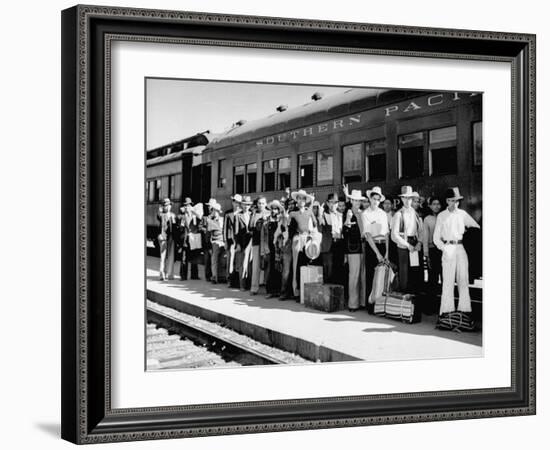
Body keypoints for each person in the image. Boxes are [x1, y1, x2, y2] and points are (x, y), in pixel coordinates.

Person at [433, 187, 480, 317]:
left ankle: (465, 311)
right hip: (448, 247)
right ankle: (446, 312)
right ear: (447, 201)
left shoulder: (463, 214)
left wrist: (467, 233)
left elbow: (476, 227)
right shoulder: (442, 216)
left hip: (460, 248)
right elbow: (436, 238)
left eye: (457, 201)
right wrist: (444, 248)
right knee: (447, 281)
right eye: (452, 200)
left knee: (463, 280)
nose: (455, 203)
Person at [361, 187, 390, 312]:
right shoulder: (365, 214)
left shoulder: (383, 214)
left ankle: (381, 304)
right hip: (372, 246)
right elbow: (367, 235)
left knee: (383, 275)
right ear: (370, 199)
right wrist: (377, 253)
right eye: (374, 199)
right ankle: (371, 305)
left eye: (378, 199)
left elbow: (387, 234)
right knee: (371, 275)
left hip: (383, 245)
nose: (376, 201)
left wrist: (387, 252)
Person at [391, 186, 424, 293]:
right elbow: (394, 235)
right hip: (403, 245)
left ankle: (414, 300)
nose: (407, 200)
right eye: (405, 198)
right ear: (401, 199)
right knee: (404, 272)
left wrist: (419, 242)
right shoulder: (398, 214)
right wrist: (407, 245)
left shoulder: (415, 213)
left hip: (414, 243)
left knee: (414, 271)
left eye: (410, 198)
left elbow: (421, 230)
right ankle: (404, 298)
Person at [288, 189, 317, 299]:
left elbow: (315, 224)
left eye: (303, 199)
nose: (301, 201)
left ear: (306, 201)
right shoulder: (293, 213)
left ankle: (306, 291)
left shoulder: (309, 212)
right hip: (297, 239)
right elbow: (288, 226)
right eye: (299, 198)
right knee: (296, 264)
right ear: (296, 200)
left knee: (306, 264)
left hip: (307, 239)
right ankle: (296, 291)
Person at [343, 189, 367, 311]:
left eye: (359, 200)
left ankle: (362, 302)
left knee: (363, 275)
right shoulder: (348, 213)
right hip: (353, 248)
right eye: (355, 200)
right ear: (351, 200)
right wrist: (347, 220)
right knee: (354, 276)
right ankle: (353, 303)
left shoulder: (363, 213)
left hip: (364, 246)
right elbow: (344, 232)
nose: (357, 202)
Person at [423, 196, 443, 314]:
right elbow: (425, 238)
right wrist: (426, 254)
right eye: (434, 204)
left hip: (444, 251)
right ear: (430, 206)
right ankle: (431, 307)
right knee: (432, 279)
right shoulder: (427, 219)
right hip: (432, 250)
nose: (436, 206)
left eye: (438, 204)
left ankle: (444, 307)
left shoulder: (444, 216)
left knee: (445, 278)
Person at [318, 192, 343, 284]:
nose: (333, 204)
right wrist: (320, 214)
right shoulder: (323, 214)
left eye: (335, 202)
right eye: (331, 202)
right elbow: (321, 224)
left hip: (338, 244)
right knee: (328, 270)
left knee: (338, 269)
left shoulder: (340, 215)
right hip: (328, 245)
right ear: (327, 203)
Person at [261, 200, 283, 298]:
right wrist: (264, 250)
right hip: (269, 247)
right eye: (272, 209)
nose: (274, 211)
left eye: (276, 209)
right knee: (269, 269)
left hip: (278, 248)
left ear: (278, 210)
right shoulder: (266, 221)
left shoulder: (280, 221)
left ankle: (278, 290)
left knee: (278, 269)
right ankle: (270, 290)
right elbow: (263, 236)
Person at [249, 196, 270, 294]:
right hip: (256, 242)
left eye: (263, 203)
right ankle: (254, 287)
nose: (261, 205)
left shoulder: (269, 213)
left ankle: (267, 287)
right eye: (259, 203)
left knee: (267, 265)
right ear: (257, 204)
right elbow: (250, 228)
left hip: (267, 243)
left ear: (266, 204)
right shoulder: (254, 214)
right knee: (256, 265)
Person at [178, 197, 201, 280]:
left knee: (194, 257)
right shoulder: (182, 217)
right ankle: (183, 275)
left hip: (193, 239)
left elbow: (200, 218)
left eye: (188, 205)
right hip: (185, 240)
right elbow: (180, 228)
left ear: (191, 205)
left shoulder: (195, 216)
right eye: (185, 206)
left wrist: (193, 211)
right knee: (184, 258)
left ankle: (194, 275)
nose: (187, 207)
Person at [234, 195, 253, 290]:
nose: (246, 206)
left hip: (251, 242)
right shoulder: (238, 216)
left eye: (248, 205)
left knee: (250, 263)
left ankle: (249, 284)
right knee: (242, 264)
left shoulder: (252, 214)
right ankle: (242, 284)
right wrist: (237, 243)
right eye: (245, 204)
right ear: (241, 205)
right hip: (242, 242)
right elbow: (236, 231)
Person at [223, 194, 242, 288]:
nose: (236, 204)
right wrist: (225, 241)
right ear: (232, 202)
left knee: (238, 261)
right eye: (235, 202)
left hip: (240, 240)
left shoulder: (242, 213)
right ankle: (230, 280)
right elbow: (225, 228)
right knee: (230, 261)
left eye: (238, 202)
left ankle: (238, 281)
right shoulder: (228, 213)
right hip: (231, 241)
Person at [157, 198, 176, 280]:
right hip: (164, 237)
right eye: (166, 205)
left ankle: (168, 274)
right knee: (164, 256)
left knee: (168, 256)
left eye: (168, 205)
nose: (168, 207)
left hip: (170, 237)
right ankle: (163, 274)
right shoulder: (161, 215)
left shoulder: (172, 215)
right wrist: (160, 210)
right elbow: (158, 216)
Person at [206, 201, 225, 284]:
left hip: (223, 241)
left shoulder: (222, 220)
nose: (215, 212)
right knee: (214, 259)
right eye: (214, 210)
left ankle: (222, 276)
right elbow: (208, 234)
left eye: (217, 211)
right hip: (215, 241)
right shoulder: (210, 220)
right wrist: (209, 246)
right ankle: (214, 277)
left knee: (223, 260)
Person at [201, 198, 216, 282]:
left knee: (213, 260)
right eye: (208, 206)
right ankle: (208, 276)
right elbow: (200, 227)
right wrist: (206, 229)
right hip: (207, 242)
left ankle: (213, 275)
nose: (208, 208)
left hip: (214, 241)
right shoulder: (205, 218)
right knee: (207, 260)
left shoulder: (216, 217)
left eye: (210, 206)